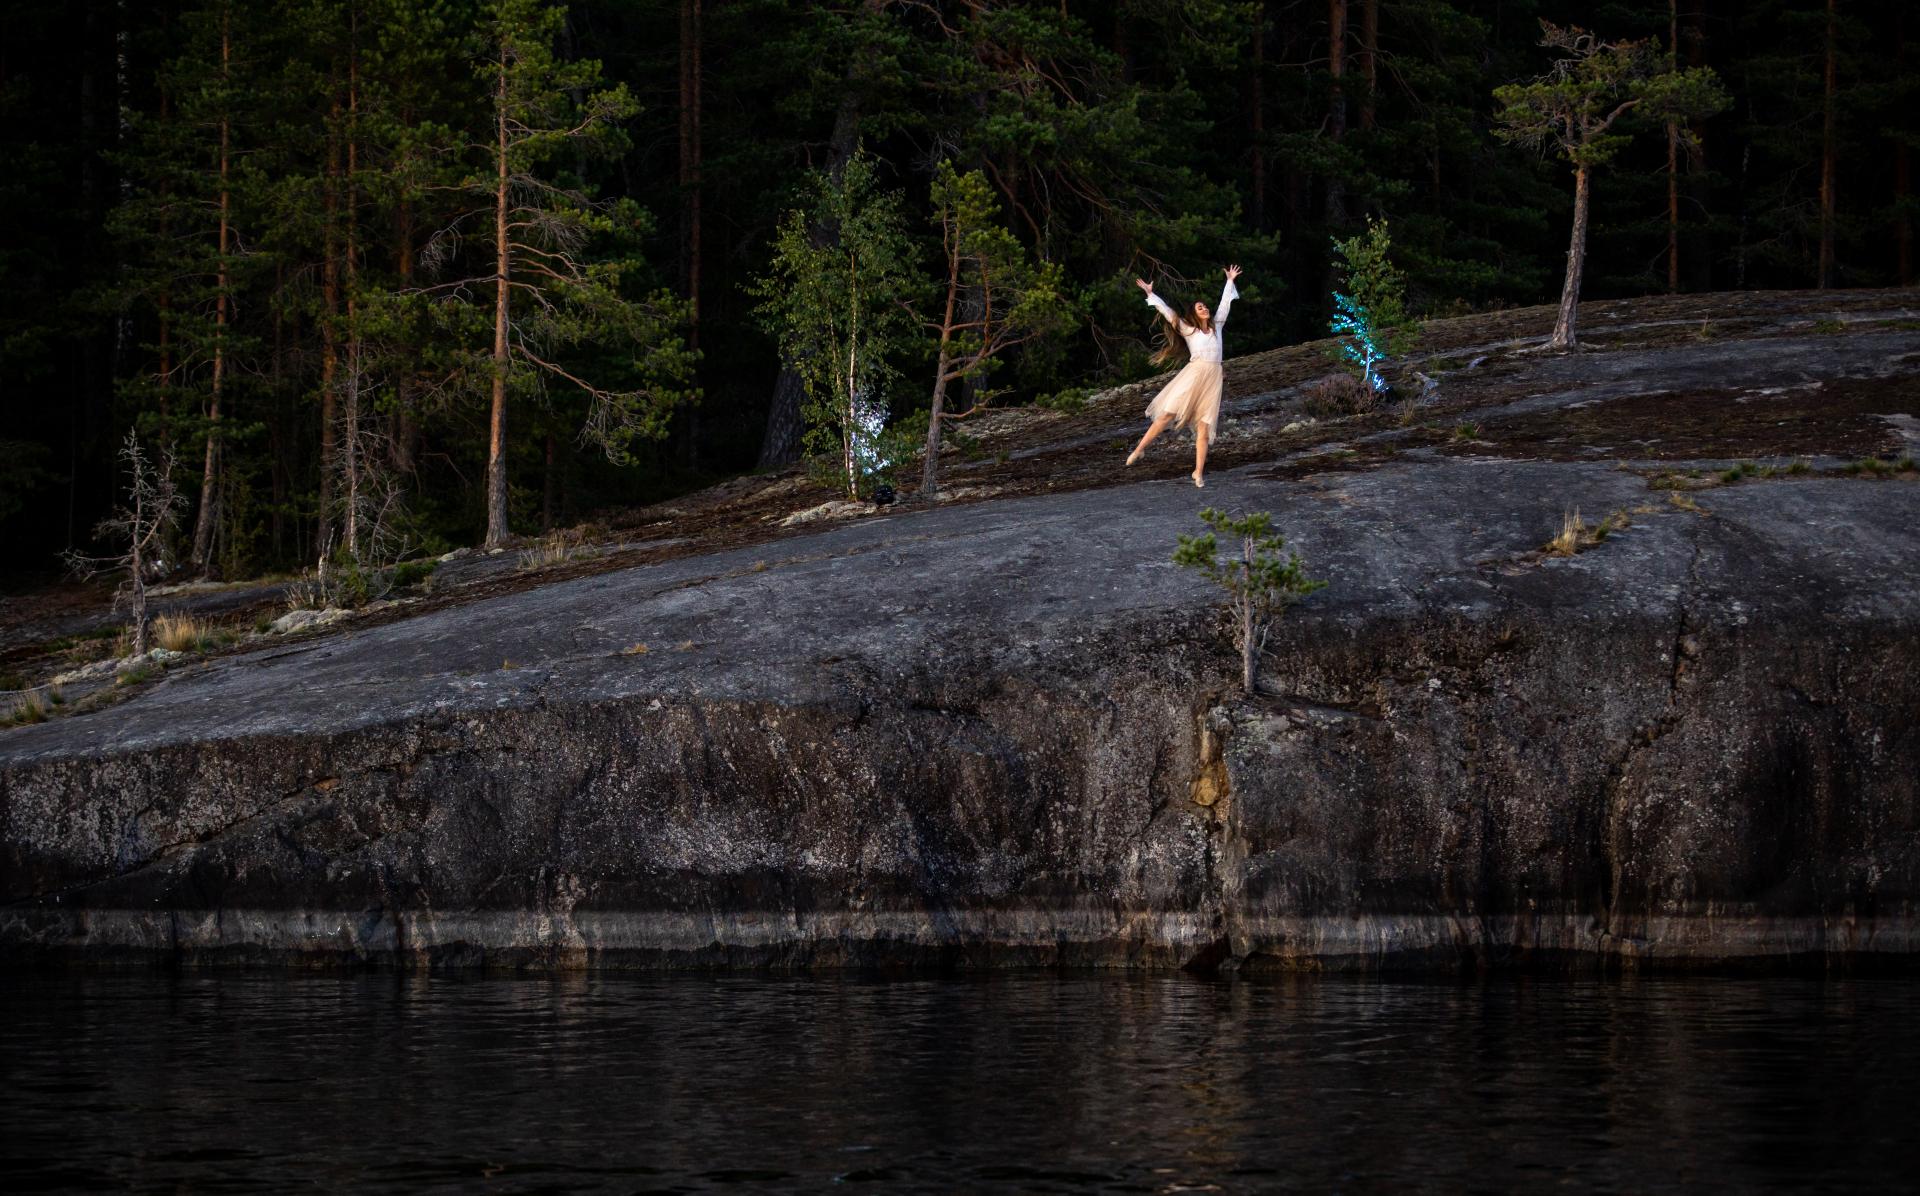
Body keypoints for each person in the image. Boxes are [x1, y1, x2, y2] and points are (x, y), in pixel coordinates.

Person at [1126, 265, 1242, 487]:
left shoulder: (1217, 326)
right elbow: (1169, 313)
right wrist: (1151, 294)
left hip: (1213, 377)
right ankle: (1139, 450)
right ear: (1194, 314)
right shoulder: (1189, 329)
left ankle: (1198, 472)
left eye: (1205, 306)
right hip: (1194, 374)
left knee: (1204, 427)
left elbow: (1224, 304)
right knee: (1167, 414)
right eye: (1200, 307)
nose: (1205, 308)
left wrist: (1230, 281)